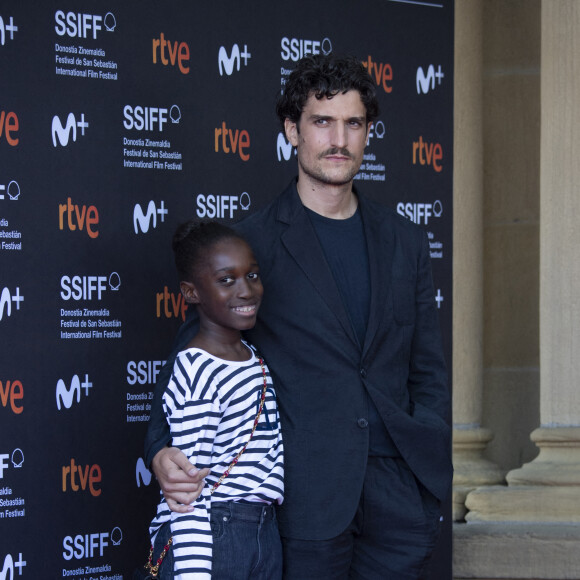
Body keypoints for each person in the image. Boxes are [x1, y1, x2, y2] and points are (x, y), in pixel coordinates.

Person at [145, 53, 452, 579]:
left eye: (353, 123)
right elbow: (194, 349)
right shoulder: (253, 242)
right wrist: (158, 449)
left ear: (368, 133)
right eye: (322, 122)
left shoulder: (403, 239)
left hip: (399, 496)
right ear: (292, 130)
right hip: (307, 495)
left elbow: (428, 367)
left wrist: (425, 458)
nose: (339, 139)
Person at [147, 220, 284, 579]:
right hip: (213, 533)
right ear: (191, 293)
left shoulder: (252, 357)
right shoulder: (197, 368)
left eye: (252, 276)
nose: (246, 290)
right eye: (227, 280)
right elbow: (188, 490)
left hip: (262, 531)